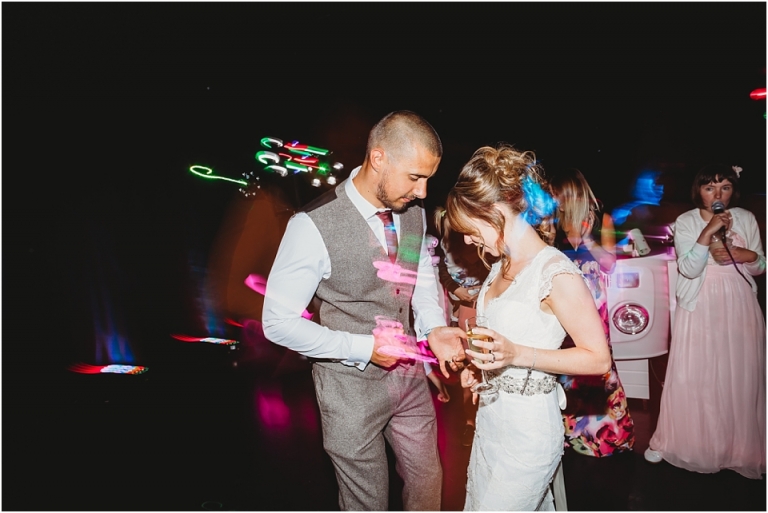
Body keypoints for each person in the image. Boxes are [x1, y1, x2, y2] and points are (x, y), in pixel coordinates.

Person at [262, 110, 466, 510]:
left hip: (409, 382)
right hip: (348, 390)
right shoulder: (312, 225)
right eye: (415, 177)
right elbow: (277, 323)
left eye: (428, 178)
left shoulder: (413, 214)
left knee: (428, 487)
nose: (423, 192)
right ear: (379, 159)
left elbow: (418, 275)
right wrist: (362, 348)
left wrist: (434, 328)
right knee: (366, 501)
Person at [445, 144, 612, 510]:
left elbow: (598, 359)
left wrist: (516, 354)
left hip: (528, 434)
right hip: (491, 425)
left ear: (493, 211)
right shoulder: (498, 268)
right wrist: (480, 369)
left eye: (470, 229)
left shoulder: (555, 272)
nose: (468, 240)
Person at [645, 164, 766, 479]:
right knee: (694, 372)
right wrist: (707, 232)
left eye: (725, 187)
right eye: (710, 188)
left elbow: (761, 266)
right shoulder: (686, 221)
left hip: (739, 302)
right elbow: (689, 269)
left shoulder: (747, 218)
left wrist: (747, 255)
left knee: (739, 374)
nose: (718, 194)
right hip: (699, 301)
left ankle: (740, 448)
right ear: (698, 190)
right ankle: (675, 440)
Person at [549, 169, 635, 457]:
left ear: (569, 194)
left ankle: (607, 434)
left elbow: (610, 263)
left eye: (556, 194)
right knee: (566, 367)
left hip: (594, 304)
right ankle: (570, 433)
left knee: (597, 365)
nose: (552, 200)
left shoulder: (602, 220)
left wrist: (587, 240)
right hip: (562, 301)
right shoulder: (551, 226)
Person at [433, 206, 489, 446]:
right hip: (466, 310)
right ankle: (470, 422)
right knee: (470, 365)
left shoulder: (481, 241)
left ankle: (488, 421)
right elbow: (442, 272)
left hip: (486, 304)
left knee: (488, 365)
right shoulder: (446, 248)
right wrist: (457, 290)